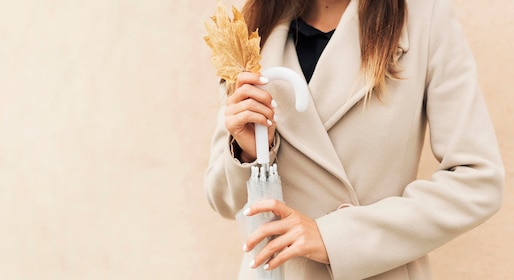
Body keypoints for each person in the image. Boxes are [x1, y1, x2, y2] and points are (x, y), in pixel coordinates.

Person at [204, 0, 505, 279]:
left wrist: (335, 237)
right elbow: (223, 200)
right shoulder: (251, 30)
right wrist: (249, 151)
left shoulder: (425, 20)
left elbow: (478, 180)